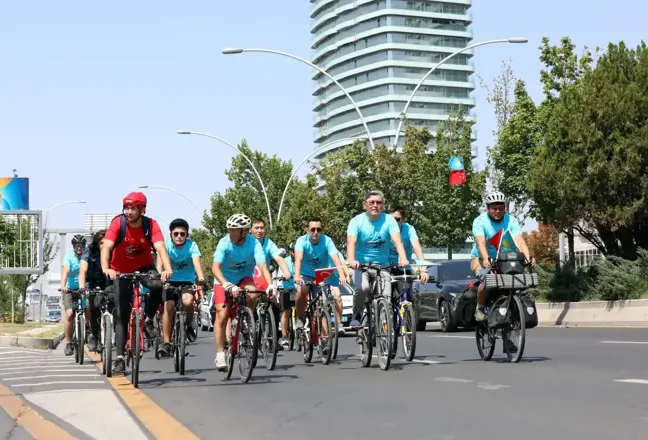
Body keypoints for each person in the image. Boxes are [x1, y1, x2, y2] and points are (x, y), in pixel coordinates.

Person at [100, 191, 173, 374]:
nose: (129, 212)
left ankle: (148, 319)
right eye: (127, 208)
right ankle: (119, 358)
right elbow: (106, 247)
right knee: (122, 314)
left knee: (158, 285)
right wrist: (106, 268)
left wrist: (167, 268)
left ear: (143, 209)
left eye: (134, 208)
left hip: (144, 267)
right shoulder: (118, 223)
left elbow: (160, 248)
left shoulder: (150, 225)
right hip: (119, 270)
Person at [212, 214, 277, 371]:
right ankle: (220, 354)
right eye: (229, 229)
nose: (230, 232)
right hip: (224, 280)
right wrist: (226, 284)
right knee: (222, 314)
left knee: (254, 293)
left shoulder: (253, 243)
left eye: (234, 230)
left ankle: (246, 318)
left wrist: (270, 285)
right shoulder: (224, 243)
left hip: (244, 277)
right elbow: (215, 267)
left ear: (244, 232)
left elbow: (262, 266)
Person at [346, 190, 409, 328]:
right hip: (361, 266)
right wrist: (352, 260)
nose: (375, 205)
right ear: (365, 205)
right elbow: (351, 243)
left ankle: (384, 330)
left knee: (386, 297)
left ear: (383, 206)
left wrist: (403, 258)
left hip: (383, 266)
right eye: (372, 202)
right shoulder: (356, 221)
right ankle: (356, 315)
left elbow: (398, 242)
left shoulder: (389, 220)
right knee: (363, 287)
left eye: (379, 203)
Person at [470, 191, 536, 321]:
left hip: (504, 258)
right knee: (487, 278)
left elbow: (520, 242)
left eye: (501, 208)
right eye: (494, 209)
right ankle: (480, 308)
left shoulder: (511, 220)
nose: (498, 211)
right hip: (480, 258)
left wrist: (528, 257)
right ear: (488, 208)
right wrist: (485, 258)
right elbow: (481, 243)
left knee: (517, 281)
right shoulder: (479, 221)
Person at [156, 218, 205, 357]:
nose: (179, 236)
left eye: (182, 234)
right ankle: (166, 343)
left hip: (186, 281)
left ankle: (189, 324)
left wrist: (200, 277)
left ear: (187, 235)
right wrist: (160, 276)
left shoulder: (192, 246)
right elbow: (159, 265)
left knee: (188, 301)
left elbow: (196, 263)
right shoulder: (165, 245)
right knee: (169, 307)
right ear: (171, 234)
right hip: (169, 281)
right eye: (176, 233)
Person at [293, 217, 347, 334]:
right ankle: (300, 316)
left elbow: (336, 258)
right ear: (307, 230)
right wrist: (297, 276)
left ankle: (325, 340)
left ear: (322, 229)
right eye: (313, 230)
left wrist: (342, 275)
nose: (316, 232)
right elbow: (299, 259)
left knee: (321, 306)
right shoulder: (302, 241)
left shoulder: (327, 240)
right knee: (301, 291)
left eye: (319, 229)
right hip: (305, 274)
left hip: (320, 275)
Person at [78, 229, 109, 353]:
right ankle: (94, 335)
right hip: (93, 283)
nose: (105, 246)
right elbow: (82, 272)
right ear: (97, 243)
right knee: (93, 307)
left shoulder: (114, 250)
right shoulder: (88, 252)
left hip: (108, 283)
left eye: (107, 242)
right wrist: (82, 287)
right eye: (102, 243)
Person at [61, 234, 91, 355]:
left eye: (81, 246)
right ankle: (68, 343)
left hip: (84, 288)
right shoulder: (68, 256)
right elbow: (65, 271)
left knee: (88, 306)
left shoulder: (87, 256)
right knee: (69, 315)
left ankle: (88, 328)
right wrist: (63, 285)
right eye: (77, 246)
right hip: (70, 289)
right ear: (73, 247)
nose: (79, 248)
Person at [388, 206, 429, 284]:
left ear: (403, 219)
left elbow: (417, 247)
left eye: (396, 219)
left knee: (407, 290)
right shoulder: (385, 229)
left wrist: (423, 269)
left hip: (404, 268)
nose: (393, 222)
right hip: (387, 268)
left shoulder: (409, 229)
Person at [325, 249, 352, 336]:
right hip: (319, 278)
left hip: (332, 280)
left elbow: (343, 264)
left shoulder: (335, 252)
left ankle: (339, 324)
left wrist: (347, 275)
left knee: (338, 297)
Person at [278, 241, 296, 349]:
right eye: (294, 252)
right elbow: (280, 275)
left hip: (298, 289)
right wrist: (283, 276)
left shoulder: (303, 261)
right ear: (291, 252)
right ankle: (284, 336)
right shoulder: (284, 262)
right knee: (286, 311)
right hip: (286, 289)